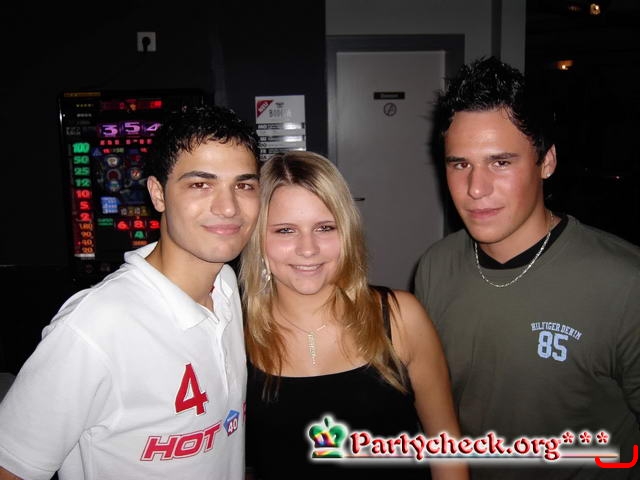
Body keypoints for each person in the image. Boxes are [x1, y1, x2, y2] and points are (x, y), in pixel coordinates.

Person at [0, 105, 261, 480]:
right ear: (158, 193)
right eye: (200, 184)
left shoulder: (225, 286)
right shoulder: (94, 327)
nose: (228, 207)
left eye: (244, 185)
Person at [413, 56, 640, 479]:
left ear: (546, 161)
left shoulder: (625, 283)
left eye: (501, 162)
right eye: (460, 164)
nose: (475, 188)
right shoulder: (434, 267)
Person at [239, 151, 468, 480]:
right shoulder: (235, 334)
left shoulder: (400, 318)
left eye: (324, 227)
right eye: (285, 230)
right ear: (258, 239)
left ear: (347, 232)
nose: (308, 248)